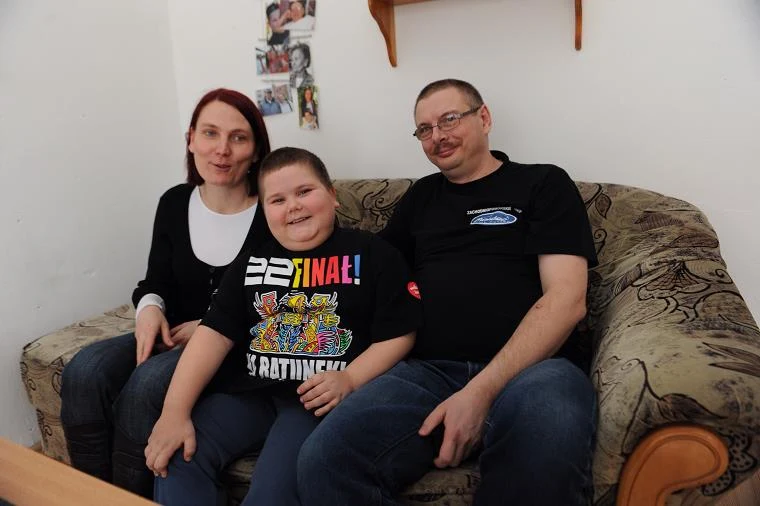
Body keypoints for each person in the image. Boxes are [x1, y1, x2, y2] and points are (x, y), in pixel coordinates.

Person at [297, 79, 599, 505]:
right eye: (424, 129)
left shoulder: (543, 183)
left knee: (547, 433)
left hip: (536, 371)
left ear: (484, 118)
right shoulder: (420, 198)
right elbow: (365, 277)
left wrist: (479, 393)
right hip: (426, 373)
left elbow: (566, 301)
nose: (437, 135)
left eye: (449, 119)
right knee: (325, 459)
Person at [144, 147, 421, 506]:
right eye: (277, 200)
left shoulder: (373, 253)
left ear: (332, 195)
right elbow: (212, 336)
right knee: (177, 456)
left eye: (304, 191)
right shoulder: (251, 262)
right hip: (248, 394)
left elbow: (400, 333)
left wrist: (351, 378)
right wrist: (174, 413)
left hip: (314, 402)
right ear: (264, 211)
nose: (293, 206)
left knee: (272, 494)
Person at [60, 88, 273, 498]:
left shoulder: (273, 210)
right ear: (190, 140)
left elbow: (282, 299)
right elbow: (154, 281)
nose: (222, 149)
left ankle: (129, 497)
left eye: (238, 137)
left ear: (256, 150)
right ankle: (91, 494)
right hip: (170, 335)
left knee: (148, 383)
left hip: (233, 347)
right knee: (84, 370)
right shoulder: (175, 202)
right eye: (210, 133)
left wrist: (212, 326)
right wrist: (149, 310)